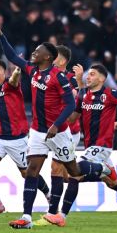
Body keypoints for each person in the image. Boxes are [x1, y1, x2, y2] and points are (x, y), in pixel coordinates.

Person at [0, 19, 112, 229]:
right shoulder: (32, 70)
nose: (33, 53)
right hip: (37, 131)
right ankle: (26, 218)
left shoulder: (59, 77)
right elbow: (10, 56)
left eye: (37, 51)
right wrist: (0, 34)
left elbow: (71, 103)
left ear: (47, 57)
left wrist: (56, 125)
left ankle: (102, 168)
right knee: (32, 170)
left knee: (74, 171)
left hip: (60, 133)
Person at [39, 64, 117, 227]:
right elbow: (72, 119)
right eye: (88, 74)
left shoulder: (110, 93)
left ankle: (62, 216)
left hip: (102, 145)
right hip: (90, 147)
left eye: (92, 74)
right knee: (112, 183)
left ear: (102, 79)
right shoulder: (83, 95)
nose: (88, 76)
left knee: (75, 175)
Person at [0, 58, 50, 218]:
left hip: (17, 139)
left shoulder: (10, 85)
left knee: (27, 173)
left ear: (1, 71)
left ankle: (49, 195)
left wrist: (17, 71)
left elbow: (14, 79)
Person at [45, 45, 82, 219]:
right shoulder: (46, 75)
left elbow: (74, 102)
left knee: (57, 169)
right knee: (66, 174)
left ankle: (53, 212)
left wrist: (79, 84)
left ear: (62, 60)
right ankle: (102, 173)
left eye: (55, 55)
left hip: (67, 131)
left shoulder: (71, 79)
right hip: (51, 130)